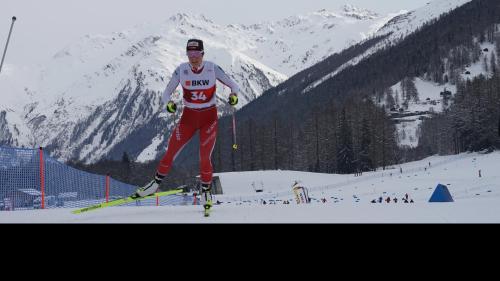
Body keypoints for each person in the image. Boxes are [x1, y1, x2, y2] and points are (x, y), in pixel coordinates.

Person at [135, 39, 240, 213]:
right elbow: (166, 92)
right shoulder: (181, 70)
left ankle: (206, 192)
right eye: (190, 54)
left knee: (204, 157)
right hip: (188, 118)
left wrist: (234, 95)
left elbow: (234, 85)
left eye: (196, 54)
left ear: (202, 54)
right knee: (170, 151)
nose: (193, 58)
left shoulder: (212, 68)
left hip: (209, 118)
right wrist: (168, 104)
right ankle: (154, 185)